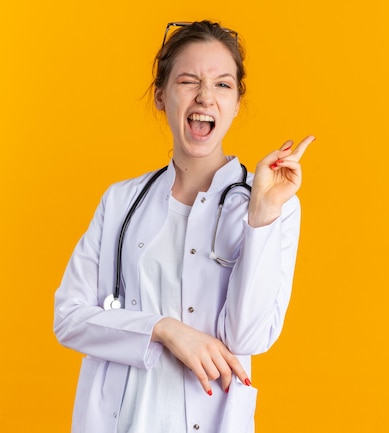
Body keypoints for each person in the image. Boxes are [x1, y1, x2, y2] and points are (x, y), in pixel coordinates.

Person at [54, 20, 314, 433]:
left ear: (236, 100)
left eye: (223, 85)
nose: (205, 97)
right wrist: (164, 330)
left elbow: (247, 337)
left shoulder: (272, 204)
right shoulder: (121, 201)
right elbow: (68, 317)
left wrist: (261, 218)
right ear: (161, 95)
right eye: (189, 81)